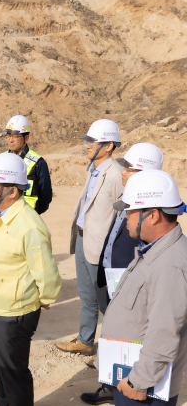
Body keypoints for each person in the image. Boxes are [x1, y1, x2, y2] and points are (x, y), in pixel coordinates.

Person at [80, 143, 164, 405]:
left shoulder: (151, 209)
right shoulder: (130, 196)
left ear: (146, 173)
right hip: (115, 279)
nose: (123, 171)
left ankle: (132, 386)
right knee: (113, 334)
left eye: (129, 168)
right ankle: (110, 384)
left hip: (130, 287)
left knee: (130, 339)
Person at [0, 152, 62, 406]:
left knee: (13, 376)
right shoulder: (5, 217)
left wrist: (45, 297)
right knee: (1, 373)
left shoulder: (29, 225)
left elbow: (46, 273)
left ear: (12, 191)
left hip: (12, 314)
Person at [97, 170, 187, 406]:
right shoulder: (156, 250)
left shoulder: (170, 265)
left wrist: (139, 382)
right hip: (132, 376)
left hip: (144, 389)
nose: (125, 216)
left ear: (154, 215)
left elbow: (164, 332)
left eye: (131, 210)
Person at [56, 119, 124, 356]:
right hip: (84, 239)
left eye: (92, 141)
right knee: (86, 296)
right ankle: (85, 340)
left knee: (106, 302)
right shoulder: (94, 170)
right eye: (87, 140)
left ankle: (113, 350)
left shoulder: (115, 173)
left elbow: (122, 214)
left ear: (108, 146)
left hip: (100, 246)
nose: (87, 145)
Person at [3, 115, 52, 214]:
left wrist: (34, 213)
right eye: (9, 135)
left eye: (16, 136)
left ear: (26, 138)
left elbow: (45, 197)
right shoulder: (1, 159)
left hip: (27, 218)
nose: (10, 140)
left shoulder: (38, 163)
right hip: (4, 216)